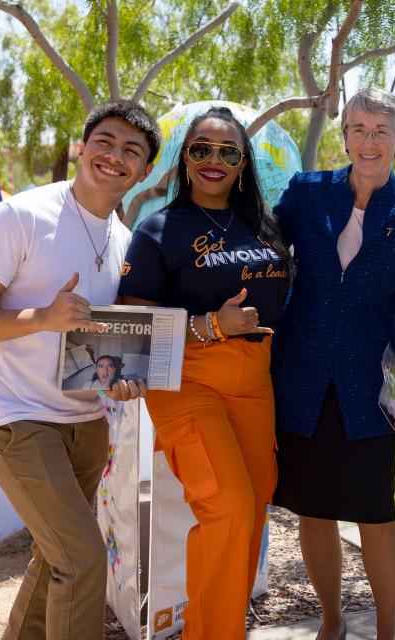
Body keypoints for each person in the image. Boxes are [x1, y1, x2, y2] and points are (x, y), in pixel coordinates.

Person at [0, 101, 158, 640]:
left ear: (146, 171)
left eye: (132, 151)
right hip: (16, 418)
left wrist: (126, 379)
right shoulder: (22, 215)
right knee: (83, 558)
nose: (115, 156)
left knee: (57, 555)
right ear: (81, 148)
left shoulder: (125, 241)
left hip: (87, 423)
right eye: (105, 142)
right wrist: (41, 318)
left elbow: (108, 346)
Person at [270, 87, 395, 640]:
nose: (368, 142)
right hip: (297, 373)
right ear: (343, 135)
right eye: (358, 129)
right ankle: (331, 622)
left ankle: (388, 628)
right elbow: (269, 258)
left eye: (381, 132)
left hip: (370, 381)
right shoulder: (305, 192)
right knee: (313, 508)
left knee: (376, 509)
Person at [119, 106, 290, 639]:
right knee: (229, 508)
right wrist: (212, 326)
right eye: (201, 149)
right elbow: (134, 326)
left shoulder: (263, 224)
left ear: (243, 164)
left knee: (253, 511)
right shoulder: (158, 230)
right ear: (184, 157)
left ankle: (218, 628)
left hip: (255, 381)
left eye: (227, 152)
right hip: (186, 379)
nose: (213, 160)